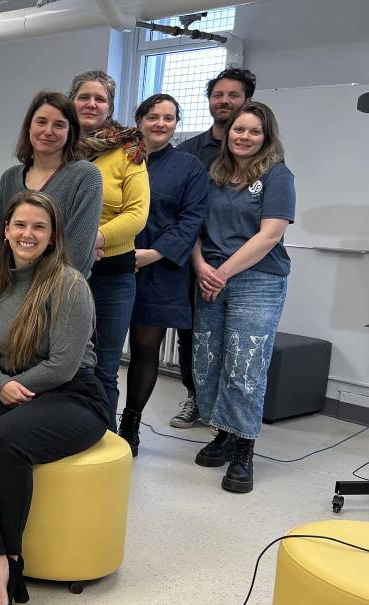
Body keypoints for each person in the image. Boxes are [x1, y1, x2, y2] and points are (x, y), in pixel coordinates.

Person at [0, 191, 108, 605]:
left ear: (53, 236)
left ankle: (10, 562)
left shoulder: (69, 285)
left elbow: (62, 366)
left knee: (4, 439)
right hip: (11, 388)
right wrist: (0, 387)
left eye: (40, 226)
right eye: (20, 224)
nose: (28, 234)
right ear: (6, 231)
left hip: (74, 395)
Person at [192, 102, 293, 494]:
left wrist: (222, 273)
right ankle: (224, 433)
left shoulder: (277, 175)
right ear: (227, 132)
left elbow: (270, 234)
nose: (244, 137)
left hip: (257, 280)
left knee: (244, 365)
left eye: (254, 131)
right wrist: (201, 267)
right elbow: (194, 227)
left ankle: (244, 449)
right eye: (239, 129)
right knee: (209, 360)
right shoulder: (213, 174)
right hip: (210, 277)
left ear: (266, 137)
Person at [117, 94, 208, 455]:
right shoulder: (119, 158)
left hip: (159, 269)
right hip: (111, 263)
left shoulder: (189, 167)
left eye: (169, 118)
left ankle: (131, 424)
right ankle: (96, 417)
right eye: (153, 116)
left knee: (145, 347)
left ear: (176, 124)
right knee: (101, 348)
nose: (161, 123)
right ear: (139, 120)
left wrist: (153, 254)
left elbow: (192, 218)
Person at [172, 67, 256, 429]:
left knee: (237, 345)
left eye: (233, 95)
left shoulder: (260, 154)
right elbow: (182, 211)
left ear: (247, 101)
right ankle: (196, 398)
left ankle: (229, 412)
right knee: (193, 337)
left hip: (245, 268)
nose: (224, 101)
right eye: (218, 95)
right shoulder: (190, 152)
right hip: (196, 262)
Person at [70, 70, 150, 428]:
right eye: (84, 97)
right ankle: (67, 436)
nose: (91, 104)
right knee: (63, 363)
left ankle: (105, 441)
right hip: (63, 270)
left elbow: (137, 214)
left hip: (111, 275)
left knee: (103, 369)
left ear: (110, 107)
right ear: (72, 102)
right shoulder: (57, 145)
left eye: (99, 99)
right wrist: (76, 246)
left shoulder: (129, 150)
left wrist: (92, 240)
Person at [0, 91, 103, 277]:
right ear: (29, 126)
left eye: (59, 125)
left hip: (61, 289)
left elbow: (77, 256)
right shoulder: (9, 178)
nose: (48, 131)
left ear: (70, 132)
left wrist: (39, 289)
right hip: (11, 286)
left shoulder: (86, 177)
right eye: (41, 122)